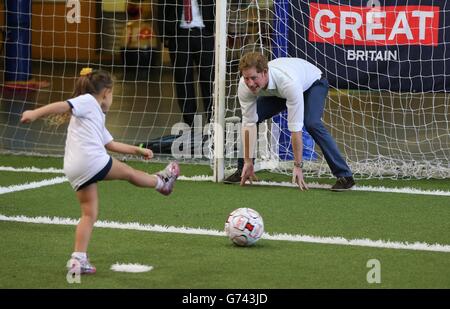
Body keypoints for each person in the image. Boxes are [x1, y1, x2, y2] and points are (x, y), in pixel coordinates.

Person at [20, 68, 180, 274]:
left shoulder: (93, 115)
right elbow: (63, 105)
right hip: (91, 161)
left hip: (74, 167)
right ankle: (162, 182)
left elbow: (111, 144)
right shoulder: (88, 101)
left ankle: (78, 259)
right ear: (106, 92)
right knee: (129, 173)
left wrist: (138, 150)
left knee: (89, 213)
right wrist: (34, 113)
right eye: (112, 94)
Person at [224, 52, 355, 191]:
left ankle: (345, 176)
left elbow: (295, 128)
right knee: (250, 120)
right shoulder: (245, 86)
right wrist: (248, 161)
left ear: (264, 72)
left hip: (313, 84)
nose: (250, 83)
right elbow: (248, 124)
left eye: (253, 78)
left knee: (312, 123)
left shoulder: (288, 82)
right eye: (246, 78)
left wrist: (298, 166)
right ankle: (244, 169)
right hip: (279, 93)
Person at [157, 0, 215, 127]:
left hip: (204, 33)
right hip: (179, 35)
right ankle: (191, 124)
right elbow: (161, 8)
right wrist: (164, 35)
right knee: (183, 81)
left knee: (209, 79)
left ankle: (214, 120)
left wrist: (217, 30)